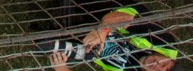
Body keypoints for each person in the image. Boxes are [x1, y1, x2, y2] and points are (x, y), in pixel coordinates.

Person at [48, 6, 179, 71]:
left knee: (46, 45)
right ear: (171, 60)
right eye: (164, 64)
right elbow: (123, 17)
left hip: (91, 49)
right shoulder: (166, 42)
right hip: (109, 12)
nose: (156, 66)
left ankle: (55, 29)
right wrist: (101, 31)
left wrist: (62, 68)